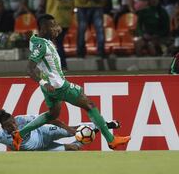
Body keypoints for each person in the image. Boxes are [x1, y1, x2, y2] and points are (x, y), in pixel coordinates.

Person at [11, 14, 131, 151]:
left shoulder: (37, 40)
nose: (56, 28)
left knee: (52, 114)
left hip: (50, 86)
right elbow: (29, 69)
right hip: (58, 86)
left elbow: (42, 54)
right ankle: (111, 140)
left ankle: (19, 135)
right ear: (44, 29)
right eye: (52, 26)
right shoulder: (41, 45)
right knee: (90, 105)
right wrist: (45, 83)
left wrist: (48, 79)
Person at [0, 109, 121, 151]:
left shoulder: (21, 119)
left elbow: (48, 118)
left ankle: (106, 125)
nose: (13, 126)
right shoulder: (0, 136)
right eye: (9, 126)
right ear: (3, 127)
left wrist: (68, 129)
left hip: (43, 133)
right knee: (74, 148)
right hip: (41, 150)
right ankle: (93, 132)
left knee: (75, 130)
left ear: (14, 119)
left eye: (13, 122)